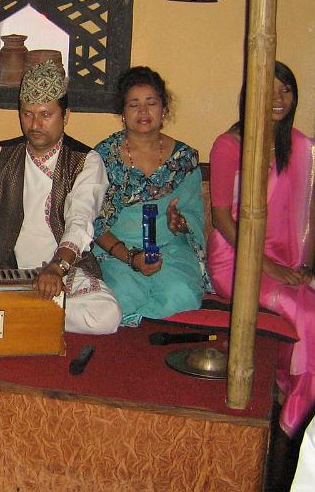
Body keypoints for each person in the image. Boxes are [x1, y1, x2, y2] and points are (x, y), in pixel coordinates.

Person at [0, 60, 121, 335]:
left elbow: (79, 221)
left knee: (107, 316)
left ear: (66, 115)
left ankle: (5, 315)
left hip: (63, 271)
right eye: (27, 114)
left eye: (45, 114)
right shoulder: (4, 157)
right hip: (6, 270)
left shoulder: (86, 162)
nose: (35, 124)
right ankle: (26, 314)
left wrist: (57, 268)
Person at [208, 60, 315, 436]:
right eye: (268, 90)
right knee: (304, 312)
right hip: (234, 261)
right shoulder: (229, 145)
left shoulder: (301, 147)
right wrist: (265, 266)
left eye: (285, 89)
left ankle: (293, 392)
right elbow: (222, 218)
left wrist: (306, 268)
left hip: (286, 262)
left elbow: (308, 218)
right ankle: (296, 406)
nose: (278, 98)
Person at [92, 67, 209, 326]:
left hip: (170, 251)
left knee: (182, 294)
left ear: (164, 109)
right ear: (122, 113)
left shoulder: (184, 159)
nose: (143, 112)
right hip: (117, 253)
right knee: (119, 298)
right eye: (134, 105)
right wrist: (131, 257)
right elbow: (94, 222)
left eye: (151, 103)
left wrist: (180, 223)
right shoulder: (103, 157)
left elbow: (193, 214)